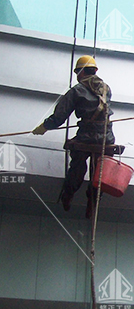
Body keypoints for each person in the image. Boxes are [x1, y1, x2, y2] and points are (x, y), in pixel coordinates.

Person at [32, 55, 116, 214]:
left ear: (82, 72)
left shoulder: (77, 90)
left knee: (78, 166)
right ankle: (93, 201)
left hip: (87, 135)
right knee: (99, 172)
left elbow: (59, 116)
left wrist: (44, 127)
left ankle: (68, 194)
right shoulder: (106, 88)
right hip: (107, 136)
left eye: (78, 72)